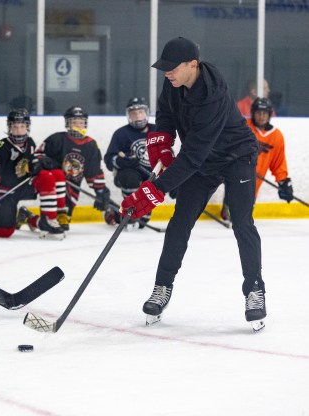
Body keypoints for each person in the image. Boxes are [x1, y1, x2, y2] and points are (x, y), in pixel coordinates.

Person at [120, 37, 266, 330]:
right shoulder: (173, 82)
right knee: (180, 222)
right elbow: (165, 115)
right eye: (164, 69)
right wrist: (162, 142)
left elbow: (193, 156)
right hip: (202, 160)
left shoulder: (214, 96)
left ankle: (254, 290)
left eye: (172, 69)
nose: (167, 74)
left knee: (242, 222)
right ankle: (162, 287)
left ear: (192, 65)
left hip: (236, 156)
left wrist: (156, 189)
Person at [0, 108, 66, 239]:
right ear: (9, 128)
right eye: (15, 126)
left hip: (25, 187)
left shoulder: (30, 143)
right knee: (4, 232)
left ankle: (48, 220)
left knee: (51, 175)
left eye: (22, 126)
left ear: (27, 127)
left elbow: (31, 163)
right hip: (7, 192)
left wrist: (39, 163)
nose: (19, 130)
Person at [32, 106, 110, 231]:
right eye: (74, 122)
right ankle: (37, 219)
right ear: (67, 123)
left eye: (81, 122)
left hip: (72, 189)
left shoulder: (91, 145)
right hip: (53, 187)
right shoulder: (56, 139)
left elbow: (94, 172)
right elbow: (37, 156)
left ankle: (28, 217)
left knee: (63, 223)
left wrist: (101, 191)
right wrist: (43, 162)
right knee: (50, 220)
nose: (78, 125)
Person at [220, 97, 294, 221]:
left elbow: (278, 162)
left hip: (255, 181)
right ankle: (227, 207)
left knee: (244, 217)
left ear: (270, 115)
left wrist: (283, 182)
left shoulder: (276, 136)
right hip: (235, 172)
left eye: (265, 113)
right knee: (232, 207)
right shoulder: (243, 126)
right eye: (258, 112)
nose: (261, 116)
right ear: (253, 113)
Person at [103, 97, 155, 229]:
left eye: (140, 112)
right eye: (133, 113)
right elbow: (109, 160)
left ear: (146, 112)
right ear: (128, 115)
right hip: (128, 176)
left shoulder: (157, 130)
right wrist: (120, 161)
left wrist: (173, 181)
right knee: (130, 178)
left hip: (151, 177)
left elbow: (168, 155)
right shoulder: (121, 133)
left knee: (143, 221)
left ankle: (114, 213)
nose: (137, 116)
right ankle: (132, 213)